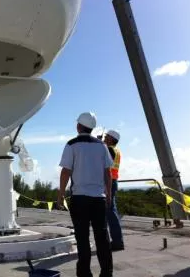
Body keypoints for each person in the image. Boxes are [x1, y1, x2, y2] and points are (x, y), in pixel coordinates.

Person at [57, 112, 113, 277]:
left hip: (79, 199)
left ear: (78, 126)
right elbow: (107, 172)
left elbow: (66, 171)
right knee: (102, 238)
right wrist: (108, 194)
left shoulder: (71, 145)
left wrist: (61, 194)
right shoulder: (101, 146)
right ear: (91, 127)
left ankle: (84, 273)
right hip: (98, 200)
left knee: (82, 239)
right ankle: (106, 273)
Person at [103, 130, 124, 252]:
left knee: (110, 213)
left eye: (106, 137)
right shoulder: (115, 150)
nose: (105, 138)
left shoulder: (110, 150)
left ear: (111, 139)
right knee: (108, 212)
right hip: (112, 182)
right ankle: (111, 241)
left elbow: (103, 163)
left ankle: (117, 242)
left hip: (108, 183)